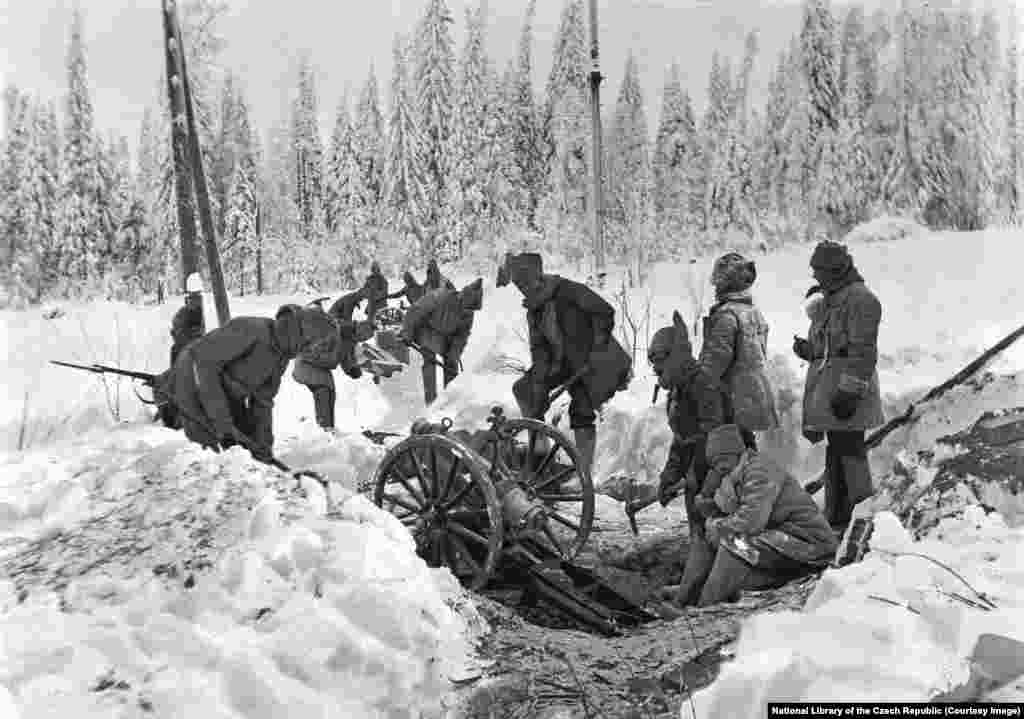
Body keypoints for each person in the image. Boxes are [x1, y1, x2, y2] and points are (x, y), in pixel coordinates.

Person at [670, 424, 838, 608]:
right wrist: (708, 502)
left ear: (736, 454)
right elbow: (724, 511)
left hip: (811, 546)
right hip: (782, 544)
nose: (720, 466)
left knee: (734, 543)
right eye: (715, 462)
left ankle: (705, 606)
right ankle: (683, 598)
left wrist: (717, 526)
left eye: (723, 459)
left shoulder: (760, 471)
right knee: (708, 538)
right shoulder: (736, 474)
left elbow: (750, 522)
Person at [496, 252, 632, 476]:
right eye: (518, 284)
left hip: (597, 360)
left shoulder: (568, 290)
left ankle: (583, 475)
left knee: (581, 409)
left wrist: (597, 345)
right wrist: (539, 385)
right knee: (524, 389)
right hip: (565, 364)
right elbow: (539, 351)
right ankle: (540, 458)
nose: (522, 288)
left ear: (537, 276)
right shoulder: (534, 310)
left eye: (525, 282)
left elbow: (604, 311)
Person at [162, 304, 336, 464]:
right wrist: (223, 425)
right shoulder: (250, 330)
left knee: (250, 452)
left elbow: (263, 402)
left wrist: (264, 450)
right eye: (310, 344)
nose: (310, 350)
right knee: (212, 457)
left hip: (223, 394)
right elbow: (204, 364)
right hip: (190, 378)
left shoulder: (280, 356)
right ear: (300, 333)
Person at [793, 240, 884, 532]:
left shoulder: (861, 299)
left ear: (835, 270)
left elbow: (863, 352)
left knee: (851, 451)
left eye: (820, 271)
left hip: (848, 393)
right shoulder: (832, 298)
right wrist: (809, 350)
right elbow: (831, 347)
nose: (817, 278)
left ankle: (861, 519)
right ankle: (838, 516)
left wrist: (850, 391)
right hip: (833, 391)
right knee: (837, 450)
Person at [648, 312, 727, 602]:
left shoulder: (703, 385)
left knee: (713, 529)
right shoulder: (680, 390)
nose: (657, 373)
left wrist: (696, 474)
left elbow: (714, 435)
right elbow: (682, 440)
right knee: (698, 529)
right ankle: (694, 584)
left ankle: (700, 593)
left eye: (660, 365)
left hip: (725, 468)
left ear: (676, 358)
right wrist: (669, 475)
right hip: (700, 466)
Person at [699, 252, 779, 445]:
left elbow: (717, 357)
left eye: (718, 282)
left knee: (729, 447)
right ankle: (752, 472)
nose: (715, 288)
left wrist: (700, 383)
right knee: (745, 441)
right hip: (751, 389)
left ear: (726, 284)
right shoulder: (752, 312)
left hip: (731, 394)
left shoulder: (727, 316)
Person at [400, 278, 484, 405]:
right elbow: (414, 311)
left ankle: (449, 403)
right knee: (430, 358)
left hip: (445, 338)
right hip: (425, 330)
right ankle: (431, 401)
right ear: (461, 297)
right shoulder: (440, 296)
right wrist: (407, 333)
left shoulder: (468, 312)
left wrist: (453, 355)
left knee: (452, 367)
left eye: (471, 310)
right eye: (467, 307)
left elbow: (462, 336)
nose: (467, 312)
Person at [291, 300, 364, 431]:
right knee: (323, 390)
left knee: (329, 391)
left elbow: (345, 358)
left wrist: (352, 370)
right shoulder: (327, 329)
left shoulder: (345, 340)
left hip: (319, 367)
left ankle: (328, 428)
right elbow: (308, 348)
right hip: (308, 365)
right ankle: (324, 430)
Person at [169, 272, 206, 369]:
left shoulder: (186, 310)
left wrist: (176, 332)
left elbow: (178, 326)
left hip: (192, 343)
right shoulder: (202, 304)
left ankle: (174, 377)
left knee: (175, 350)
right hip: (198, 341)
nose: (194, 301)